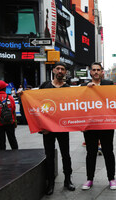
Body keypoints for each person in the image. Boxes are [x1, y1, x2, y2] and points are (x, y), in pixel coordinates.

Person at [38, 62, 75, 195]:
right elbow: (37, 105)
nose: (60, 71)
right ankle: (51, 183)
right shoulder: (44, 86)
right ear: (54, 70)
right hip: (48, 129)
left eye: (62, 69)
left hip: (62, 127)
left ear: (65, 72)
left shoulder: (67, 88)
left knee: (66, 154)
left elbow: (72, 108)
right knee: (49, 155)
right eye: (58, 68)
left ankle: (67, 180)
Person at [80, 62, 116, 190]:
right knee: (91, 153)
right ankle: (89, 179)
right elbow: (79, 104)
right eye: (94, 70)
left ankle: (111, 179)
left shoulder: (109, 84)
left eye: (98, 70)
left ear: (102, 72)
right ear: (90, 72)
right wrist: (87, 89)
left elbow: (115, 100)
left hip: (106, 124)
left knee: (108, 152)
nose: (96, 72)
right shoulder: (84, 86)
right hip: (90, 126)